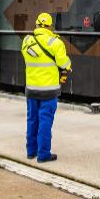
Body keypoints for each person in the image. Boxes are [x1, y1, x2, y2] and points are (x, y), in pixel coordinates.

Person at [20, 12, 71, 163]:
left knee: (32, 120)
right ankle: (43, 155)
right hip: (49, 90)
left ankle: (31, 151)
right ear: (50, 26)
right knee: (45, 121)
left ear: (36, 24)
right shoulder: (56, 43)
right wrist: (68, 66)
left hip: (32, 89)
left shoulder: (27, 41)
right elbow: (63, 64)